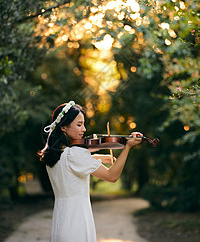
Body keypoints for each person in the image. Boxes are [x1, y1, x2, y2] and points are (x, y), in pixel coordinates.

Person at [37, 101, 143, 242]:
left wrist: (98, 157)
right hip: (77, 222)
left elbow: (72, 164)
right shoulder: (75, 154)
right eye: (79, 125)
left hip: (61, 221)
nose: (84, 129)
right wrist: (127, 147)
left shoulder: (54, 155)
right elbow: (112, 176)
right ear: (64, 127)